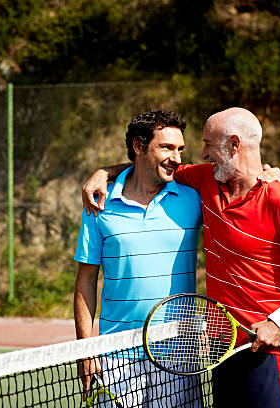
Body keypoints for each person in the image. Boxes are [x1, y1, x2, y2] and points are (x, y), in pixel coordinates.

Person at [81, 107, 280, 408]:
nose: (202, 154)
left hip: (266, 350)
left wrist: (277, 323)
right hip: (221, 349)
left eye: (208, 144)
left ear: (233, 145)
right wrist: (105, 172)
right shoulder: (204, 182)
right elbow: (150, 165)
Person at [74, 108, 204, 407]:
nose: (177, 158)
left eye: (180, 149)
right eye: (166, 147)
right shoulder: (99, 203)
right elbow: (85, 283)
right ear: (138, 146)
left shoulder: (194, 196)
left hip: (178, 353)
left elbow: (239, 175)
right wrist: (86, 351)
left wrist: (271, 175)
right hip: (116, 356)